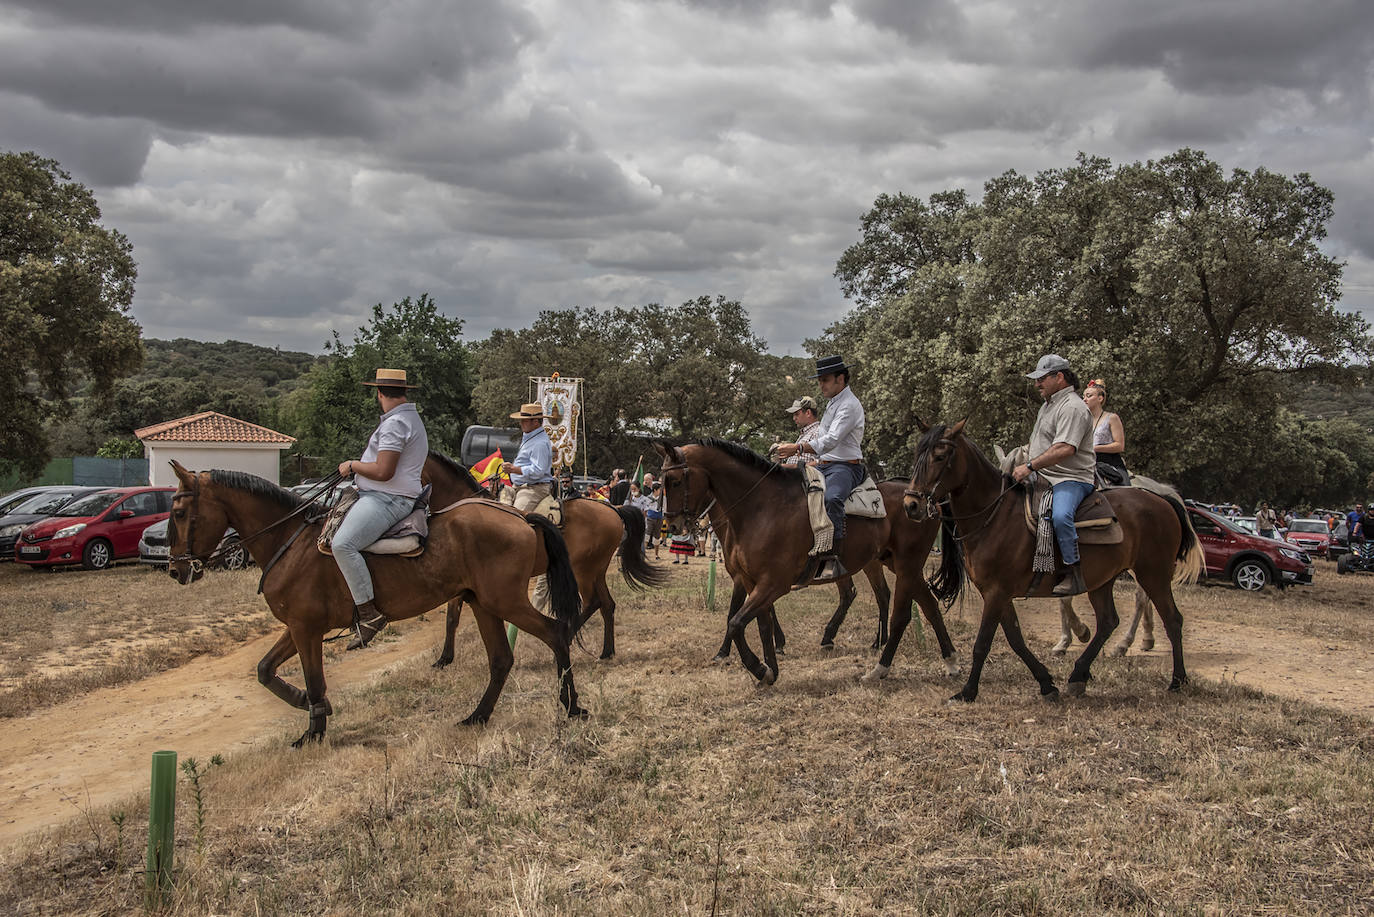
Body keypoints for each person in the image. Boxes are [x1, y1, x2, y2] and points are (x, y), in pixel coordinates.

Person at [333, 368, 428, 649]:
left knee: (343, 544)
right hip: (386, 495)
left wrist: (352, 466)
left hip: (387, 499)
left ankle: (368, 613)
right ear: (404, 391)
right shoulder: (407, 418)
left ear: (379, 393)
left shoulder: (396, 423)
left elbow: (384, 471)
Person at [1010, 354, 1096, 597]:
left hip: (1071, 478)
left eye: (1042, 379)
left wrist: (1030, 466)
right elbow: (1039, 442)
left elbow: (1065, 449)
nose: (1037, 384)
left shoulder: (1073, 407)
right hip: (1043, 475)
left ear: (1059, 377)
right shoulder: (1048, 405)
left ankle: (1072, 572)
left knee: (1060, 516)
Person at [774, 355, 864, 580]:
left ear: (840, 379)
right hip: (825, 465)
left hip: (845, 467)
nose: (820, 385)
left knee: (832, 499)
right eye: (820, 380)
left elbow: (831, 440)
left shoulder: (850, 405)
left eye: (824, 379)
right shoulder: (834, 402)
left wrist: (797, 448)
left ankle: (833, 559)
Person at [502, 403, 555, 512]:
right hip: (521, 486)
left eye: (524, 420)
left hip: (534, 489)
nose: (521, 423)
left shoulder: (539, 443)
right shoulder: (531, 437)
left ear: (535, 422)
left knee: (515, 517)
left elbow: (539, 470)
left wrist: (514, 469)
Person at [1083, 379, 1128, 486]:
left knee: (1124, 491)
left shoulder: (1112, 418)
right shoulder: (1083, 421)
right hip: (1087, 462)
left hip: (1110, 463)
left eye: (1088, 396)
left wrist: (1095, 448)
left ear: (1100, 398)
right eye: (1083, 396)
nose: (1084, 399)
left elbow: (1119, 446)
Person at [776, 395, 821, 468]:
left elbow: (822, 463)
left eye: (797, 414)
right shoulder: (805, 434)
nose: (794, 418)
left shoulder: (818, 432)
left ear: (808, 413)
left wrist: (788, 468)